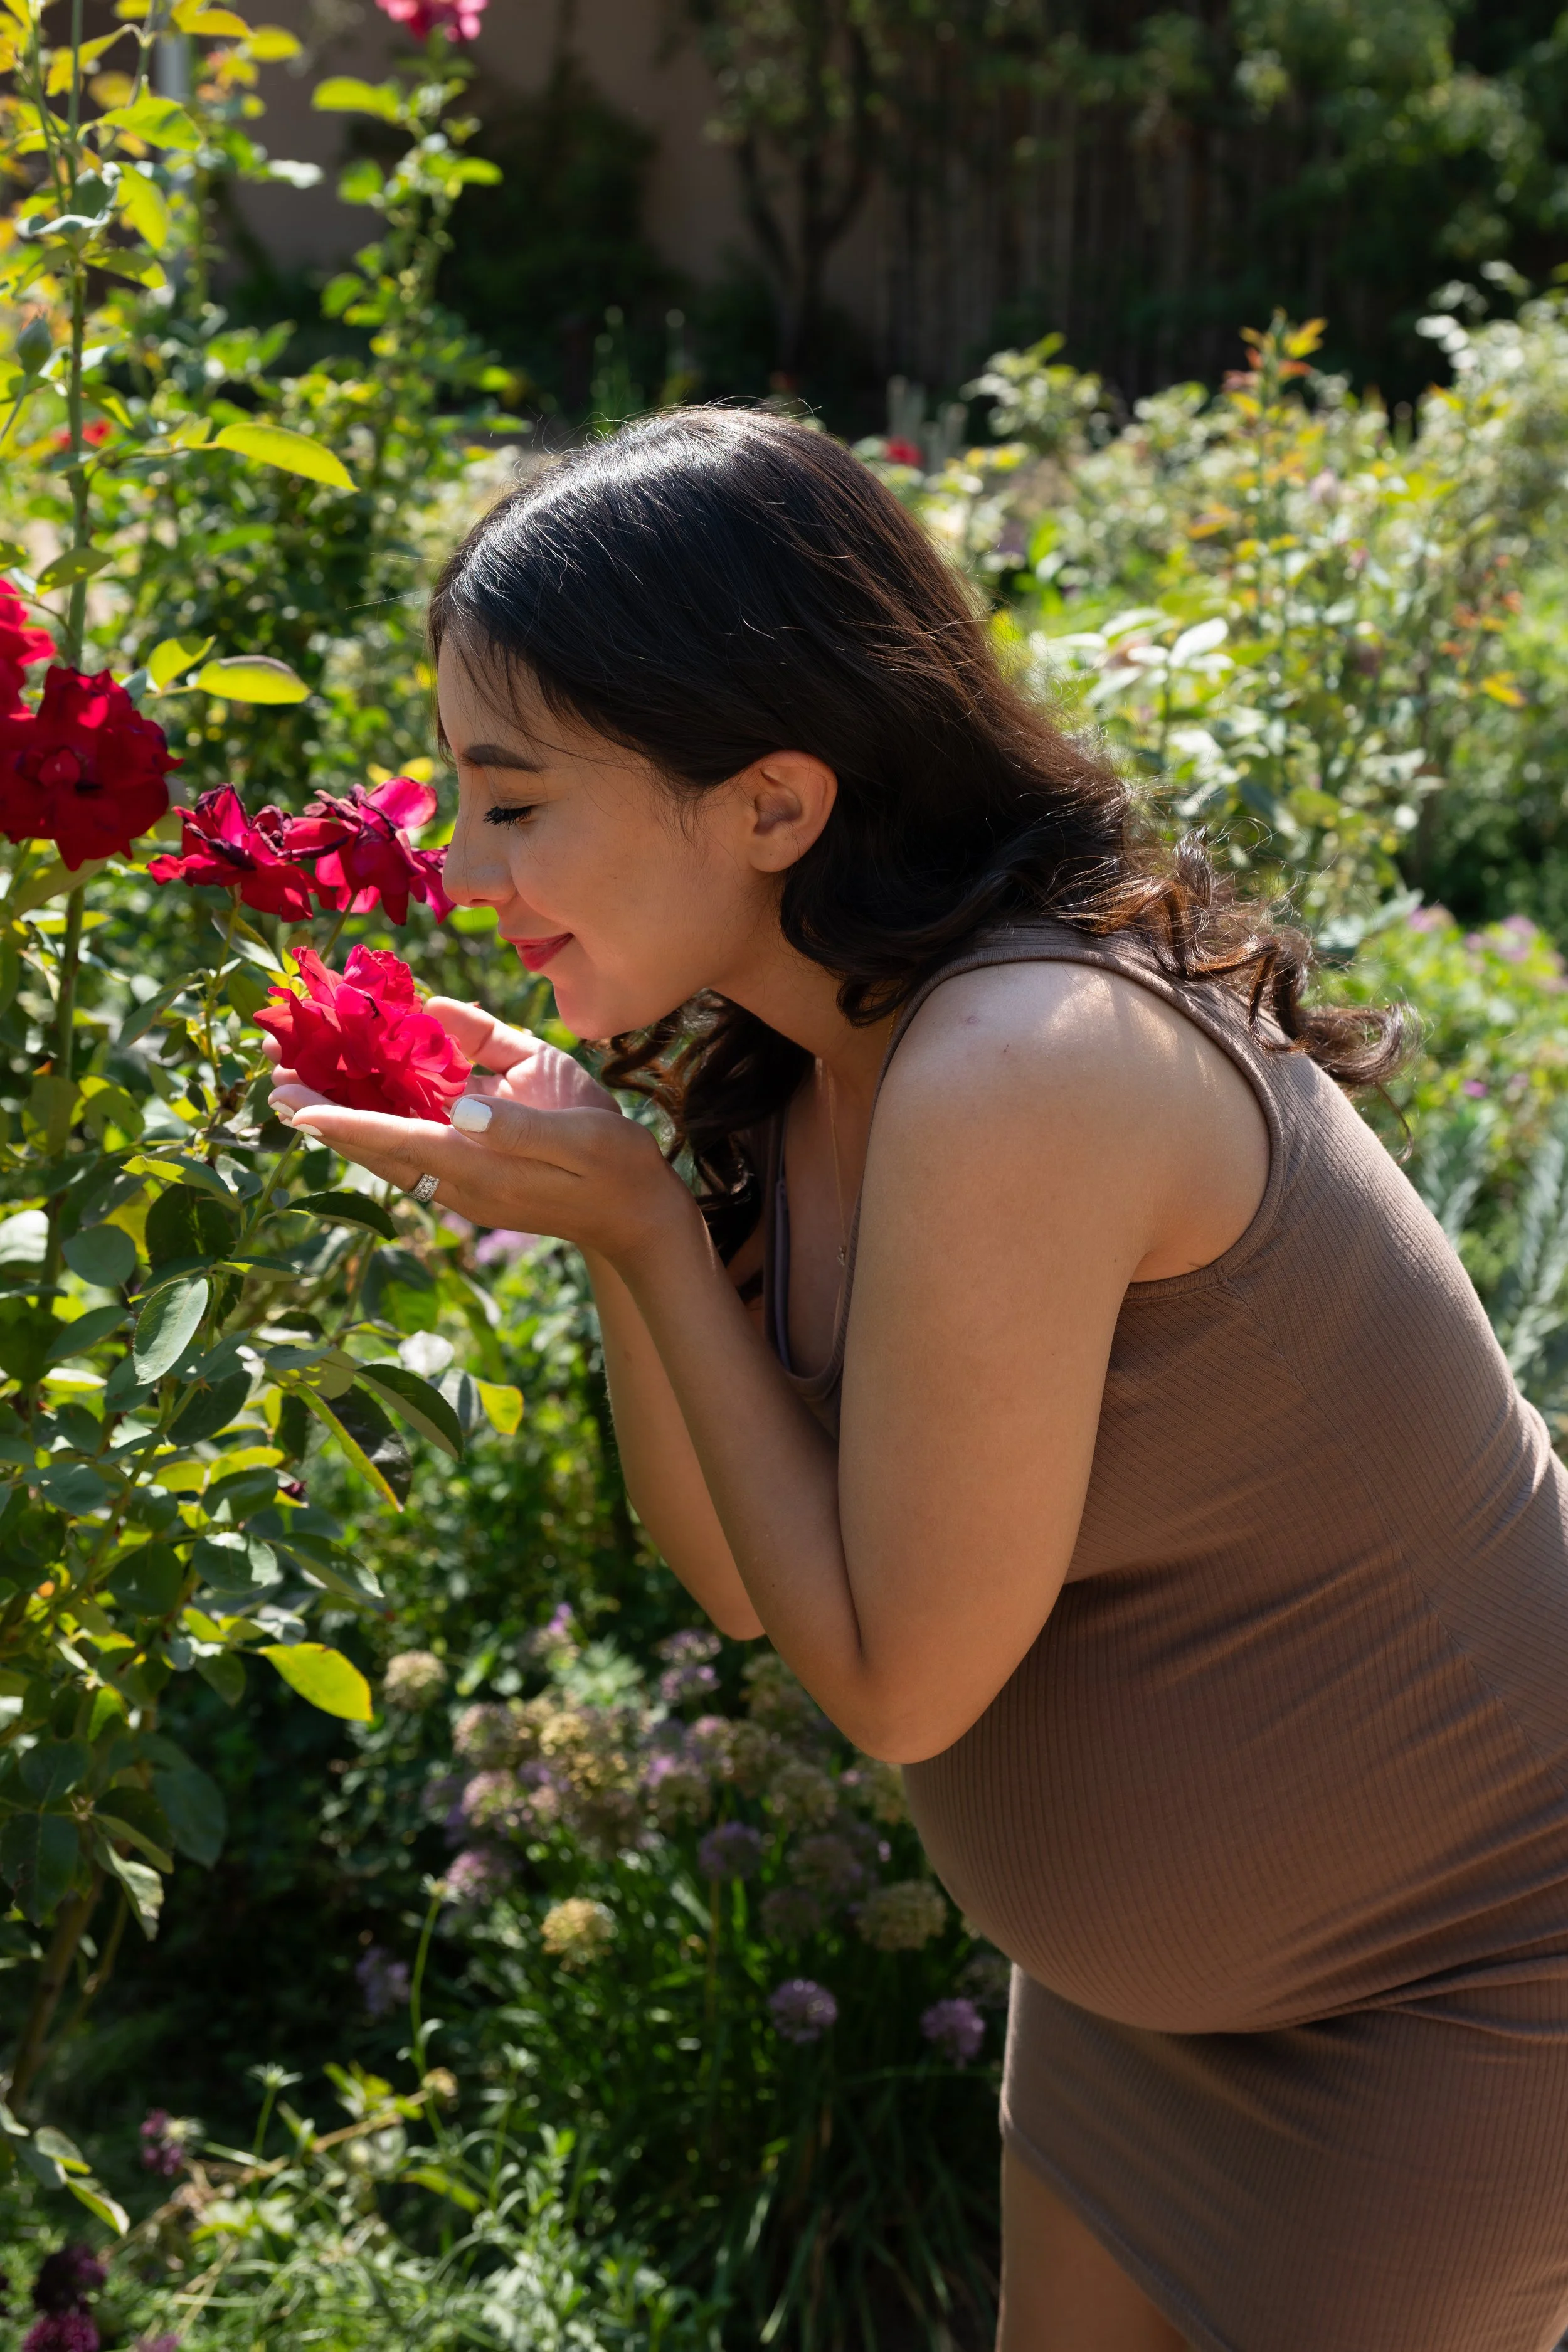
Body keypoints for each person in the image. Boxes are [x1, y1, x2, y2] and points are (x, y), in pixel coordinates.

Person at [267, 409, 1568, 2352]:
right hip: (1143, 2009)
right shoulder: (804, 1062)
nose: (462, 870)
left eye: (515, 802)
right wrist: (623, 1222)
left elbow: (894, 1679)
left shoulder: (1020, 1058)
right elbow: (733, 1570)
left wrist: (632, 1233)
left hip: (1455, 1996)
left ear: (776, 801)